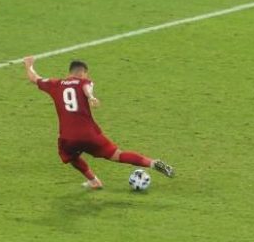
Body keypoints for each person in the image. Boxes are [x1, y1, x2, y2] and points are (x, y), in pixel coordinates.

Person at [23, 56, 174, 189]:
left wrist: (28, 64)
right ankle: (153, 163)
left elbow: (34, 78)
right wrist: (90, 97)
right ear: (83, 73)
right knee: (118, 155)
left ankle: (94, 181)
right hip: (91, 134)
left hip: (68, 137)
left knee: (70, 156)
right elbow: (86, 87)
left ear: (70, 72)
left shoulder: (55, 84)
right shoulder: (84, 81)